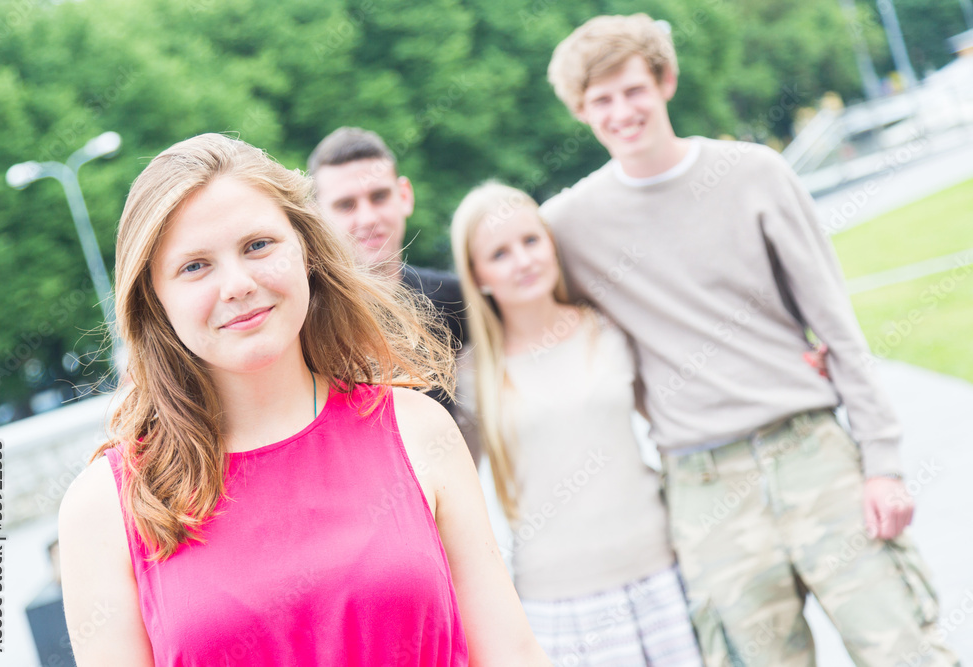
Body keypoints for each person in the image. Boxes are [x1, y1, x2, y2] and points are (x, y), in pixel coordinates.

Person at [539, 14, 958, 667]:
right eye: (601, 100)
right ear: (579, 110)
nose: (622, 111)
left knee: (903, 646)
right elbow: (505, 307)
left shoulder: (753, 175)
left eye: (633, 90)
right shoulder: (568, 226)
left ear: (665, 80)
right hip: (704, 484)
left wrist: (883, 463)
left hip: (811, 452)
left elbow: (836, 324)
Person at [57, 133, 549, 666]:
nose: (238, 284)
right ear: (154, 301)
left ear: (307, 252)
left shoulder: (419, 429)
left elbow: (511, 653)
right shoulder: (105, 508)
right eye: (195, 266)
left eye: (257, 246)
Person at [451, 181, 704, 667]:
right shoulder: (473, 373)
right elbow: (460, 500)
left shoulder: (608, 328)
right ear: (478, 274)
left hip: (662, 572)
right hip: (557, 601)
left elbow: (680, 413)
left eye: (530, 241)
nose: (523, 261)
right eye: (500, 253)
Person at [308, 127, 476, 460]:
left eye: (379, 196)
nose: (368, 218)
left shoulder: (454, 298)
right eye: (345, 205)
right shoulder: (305, 323)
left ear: (405, 196)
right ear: (317, 217)